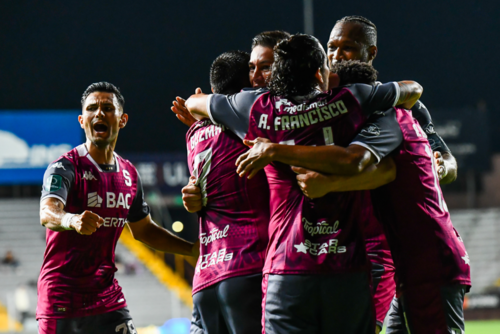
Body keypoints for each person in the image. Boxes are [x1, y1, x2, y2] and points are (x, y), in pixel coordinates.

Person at [184, 34, 422, 333]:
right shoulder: (351, 100)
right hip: (347, 269)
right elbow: (411, 91)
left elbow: (195, 102)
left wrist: (220, 128)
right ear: (318, 73)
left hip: (286, 269)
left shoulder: (255, 107)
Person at [239, 60, 471, 334]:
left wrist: (282, 155)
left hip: (427, 264)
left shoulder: (390, 116)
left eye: (336, 98)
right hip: (407, 264)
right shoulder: (388, 117)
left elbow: (372, 165)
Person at [37, 82, 198, 334]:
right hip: (62, 298)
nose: (99, 113)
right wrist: (72, 220)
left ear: (122, 120)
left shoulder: (129, 174)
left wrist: (191, 250)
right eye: (91, 108)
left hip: (107, 298)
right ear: (82, 120)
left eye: (107, 108)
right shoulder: (64, 168)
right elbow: (47, 211)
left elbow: (144, 231)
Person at [187, 51, 270, 334]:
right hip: (248, 265)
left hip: (206, 275)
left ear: (212, 90)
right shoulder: (255, 119)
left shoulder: (193, 133)